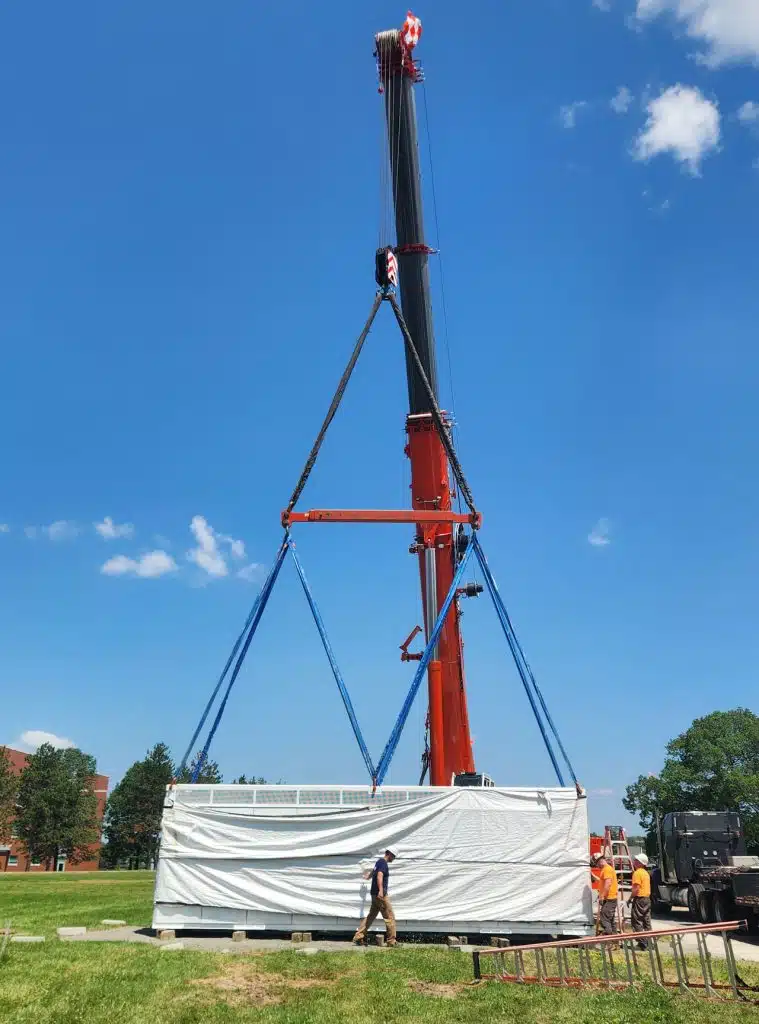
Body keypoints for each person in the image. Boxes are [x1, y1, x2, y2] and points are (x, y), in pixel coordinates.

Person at [353, 847, 398, 946]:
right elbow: (379, 875)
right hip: (380, 895)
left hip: (374, 894)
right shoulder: (383, 863)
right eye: (394, 856)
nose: (394, 859)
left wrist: (368, 877)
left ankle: (358, 937)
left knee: (371, 916)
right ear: (389, 854)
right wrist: (381, 891)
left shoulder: (379, 862)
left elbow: (374, 872)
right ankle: (391, 941)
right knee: (390, 916)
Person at [591, 851, 619, 935]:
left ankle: (608, 936)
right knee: (610, 920)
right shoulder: (606, 869)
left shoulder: (607, 869)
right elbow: (602, 882)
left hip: (609, 899)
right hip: (610, 898)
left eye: (596, 864)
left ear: (599, 861)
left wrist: (602, 897)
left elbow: (608, 884)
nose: (597, 866)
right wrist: (593, 876)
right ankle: (614, 939)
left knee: (604, 919)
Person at [629, 853, 652, 948]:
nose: (634, 862)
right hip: (647, 899)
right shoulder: (646, 873)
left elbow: (636, 889)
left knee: (636, 920)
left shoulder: (637, 873)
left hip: (639, 899)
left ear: (640, 863)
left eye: (636, 860)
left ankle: (642, 943)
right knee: (646, 921)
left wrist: (630, 898)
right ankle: (649, 942)